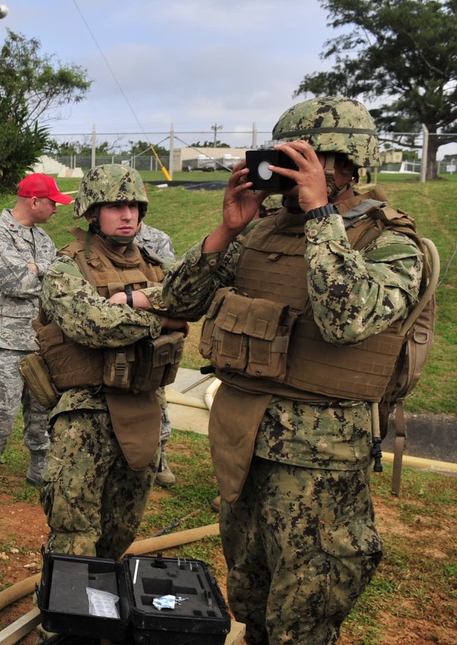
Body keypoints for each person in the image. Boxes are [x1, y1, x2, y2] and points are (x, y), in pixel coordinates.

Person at [160, 97, 424, 644]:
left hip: (320, 467)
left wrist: (322, 216)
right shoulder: (260, 233)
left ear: (349, 166)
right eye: (284, 157)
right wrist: (227, 230)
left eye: (309, 158)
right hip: (244, 448)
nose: (289, 171)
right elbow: (177, 302)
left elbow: (345, 318)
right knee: (252, 601)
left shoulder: (393, 245)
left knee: (303, 618)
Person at [36, 164, 188, 560]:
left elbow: (194, 304)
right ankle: (67, 614)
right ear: (91, 213)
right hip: (86, 411)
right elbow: (93, 325)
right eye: (116, 206)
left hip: (142, 407)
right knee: (73, 530)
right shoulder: (66, 265)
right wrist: (162, 317)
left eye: (135, 206)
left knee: (122, 526)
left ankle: (103, 600)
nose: (128, 215)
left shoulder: (155, 264)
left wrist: (132, 302)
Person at [0, 172, 72, 516]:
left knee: (42, 408)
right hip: (5, 342)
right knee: (0, 412)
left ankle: (38, 464)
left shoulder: (42, 238)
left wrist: (38, 268)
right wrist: (44, 271)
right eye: (53, 202)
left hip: (41, 340)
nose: (57, 209)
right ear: (35, 201)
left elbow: (56, 280)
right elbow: (17, 281)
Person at [133, 221, 178, 488]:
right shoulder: (99, 240)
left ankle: (160, 457)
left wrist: (133, 294)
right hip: (118, 328)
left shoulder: (158, 239)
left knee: (156, 395)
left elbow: (168, 286)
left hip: (153, 332)